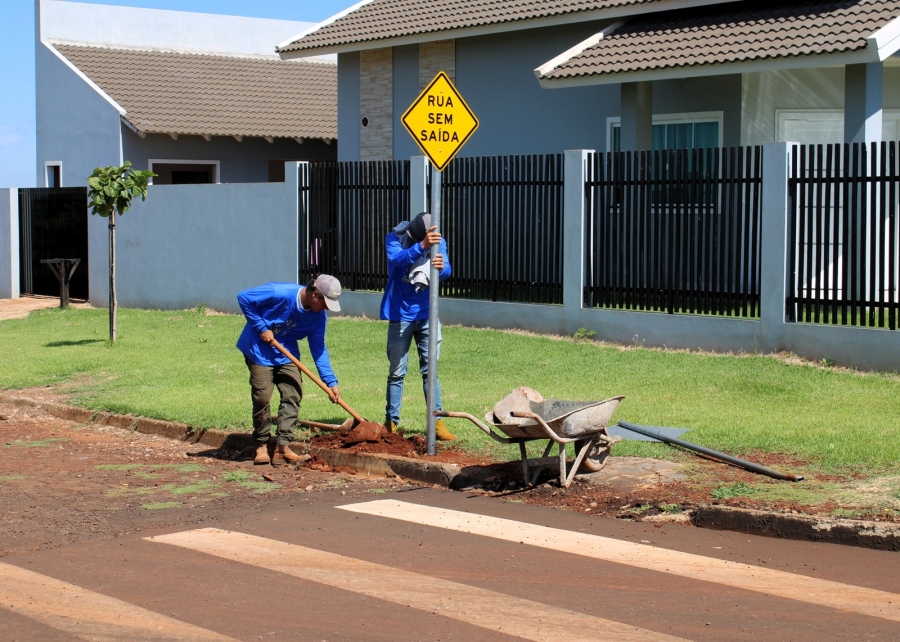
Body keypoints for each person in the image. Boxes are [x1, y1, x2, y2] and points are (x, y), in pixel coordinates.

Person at [236, 275, 342, 465]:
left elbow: (318, 349)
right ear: (315, 294)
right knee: (262, 396)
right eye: (325, 303)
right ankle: (261, 444)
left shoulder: (318, 317)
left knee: (292, 393)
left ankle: (283, 447)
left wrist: (331, 381)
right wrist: (261, 327)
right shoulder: (280, 293)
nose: (326, 308)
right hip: (258, 350)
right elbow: (244, 297)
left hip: (287, 353)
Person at [381, 212, 456, 441]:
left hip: (427, 315)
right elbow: (396, 260)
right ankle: (391, 423)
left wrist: (441, 268)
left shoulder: (438, 241)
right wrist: (421, 245)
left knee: (430, 370)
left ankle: (437, 422)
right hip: (400, 315)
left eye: (420, 240)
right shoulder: (394, 237)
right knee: (397, 372)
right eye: (414, 239)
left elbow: (447, 272)